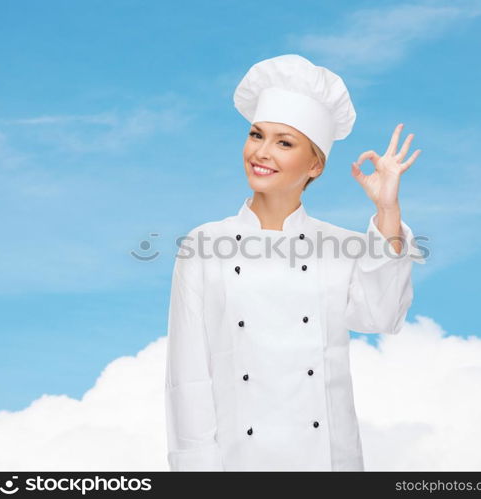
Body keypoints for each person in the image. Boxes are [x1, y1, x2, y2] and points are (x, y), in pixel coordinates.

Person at [164, 54, 426, 472]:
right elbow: (188, 377)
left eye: (284, 142)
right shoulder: (203, 245)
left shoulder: (340, 247)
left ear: (315, 164)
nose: (261, 152)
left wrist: (387, 211)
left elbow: (382, 316)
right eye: (256, 135)